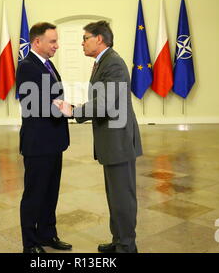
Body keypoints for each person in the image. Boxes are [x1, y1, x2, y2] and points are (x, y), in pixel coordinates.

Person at [54, 20, 142, 253]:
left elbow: (103, 105)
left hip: (119, 140)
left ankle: (127, 246)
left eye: (85, 38)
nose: (82, 43)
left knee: (123, 197)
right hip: (111, 140)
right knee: (114, 195)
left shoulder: (113, 63)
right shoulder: (102, 61)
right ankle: (119, 240)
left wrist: (73, 110)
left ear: (99, 39)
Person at [16, 22, 72, 253]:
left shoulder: (47, 64)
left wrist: (62, 106)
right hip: (38, 142)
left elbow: (52, 96)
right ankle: (30, 243)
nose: (56, 46)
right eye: (52, 41)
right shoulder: (27, 66)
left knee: (50, 192)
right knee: (34, 195)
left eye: (56, 41)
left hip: (54, 141)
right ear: (37, 42)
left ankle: (48, 234)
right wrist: (65, 109)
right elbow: (33, 104)